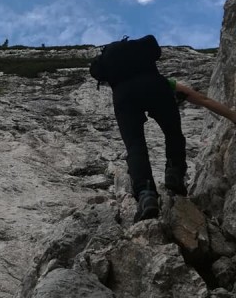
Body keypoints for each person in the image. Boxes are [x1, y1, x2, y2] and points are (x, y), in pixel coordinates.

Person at [92, 37, 236, 223]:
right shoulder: (165, 83)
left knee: (135, 146)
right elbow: (203, 99)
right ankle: (175, 174)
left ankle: (146, 194)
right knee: (173, 132)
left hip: (123, 97)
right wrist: (232, 116)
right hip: (156, 87)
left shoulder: (119, 80)